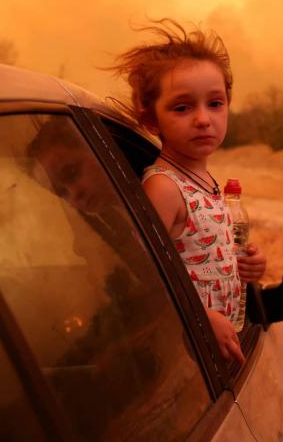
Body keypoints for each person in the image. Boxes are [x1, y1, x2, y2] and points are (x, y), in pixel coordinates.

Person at [112, 19, 267, 364]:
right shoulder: (165, 187)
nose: (202, 119)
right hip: (185, 351)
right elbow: (142, 271)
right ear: (151, 121)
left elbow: (202, 251)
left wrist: (247, 264)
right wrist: (199, 316)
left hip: (212, 349)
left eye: (215, 104)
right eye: (182, 108)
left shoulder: (205, 182)